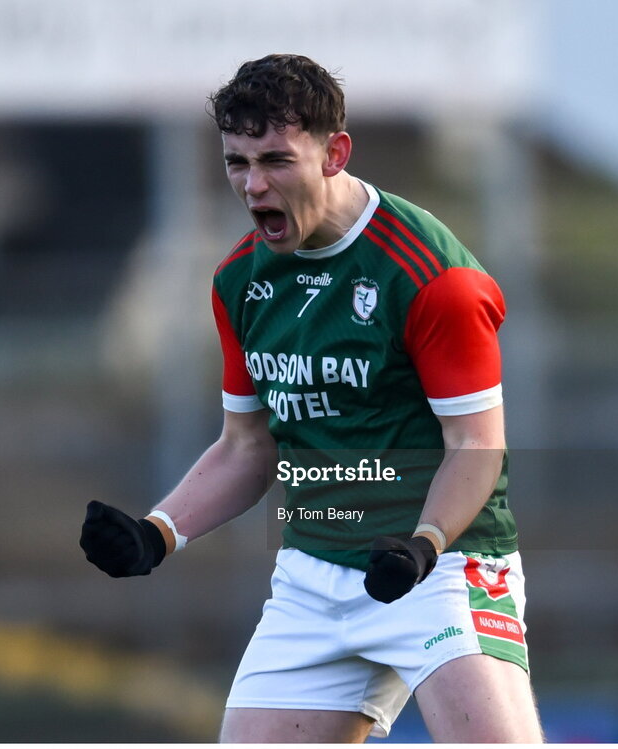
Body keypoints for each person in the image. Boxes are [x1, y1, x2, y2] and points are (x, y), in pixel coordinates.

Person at [80, 53, 543, 743]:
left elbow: (476, 446)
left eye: (276, 160)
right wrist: (157, 532)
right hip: (312, 578)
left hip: (440, 569)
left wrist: (422, 544)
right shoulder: (240, 280)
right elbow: (247, 446)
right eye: (237, 162)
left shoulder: (430, 276)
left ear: (336, 153)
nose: (254, 185)